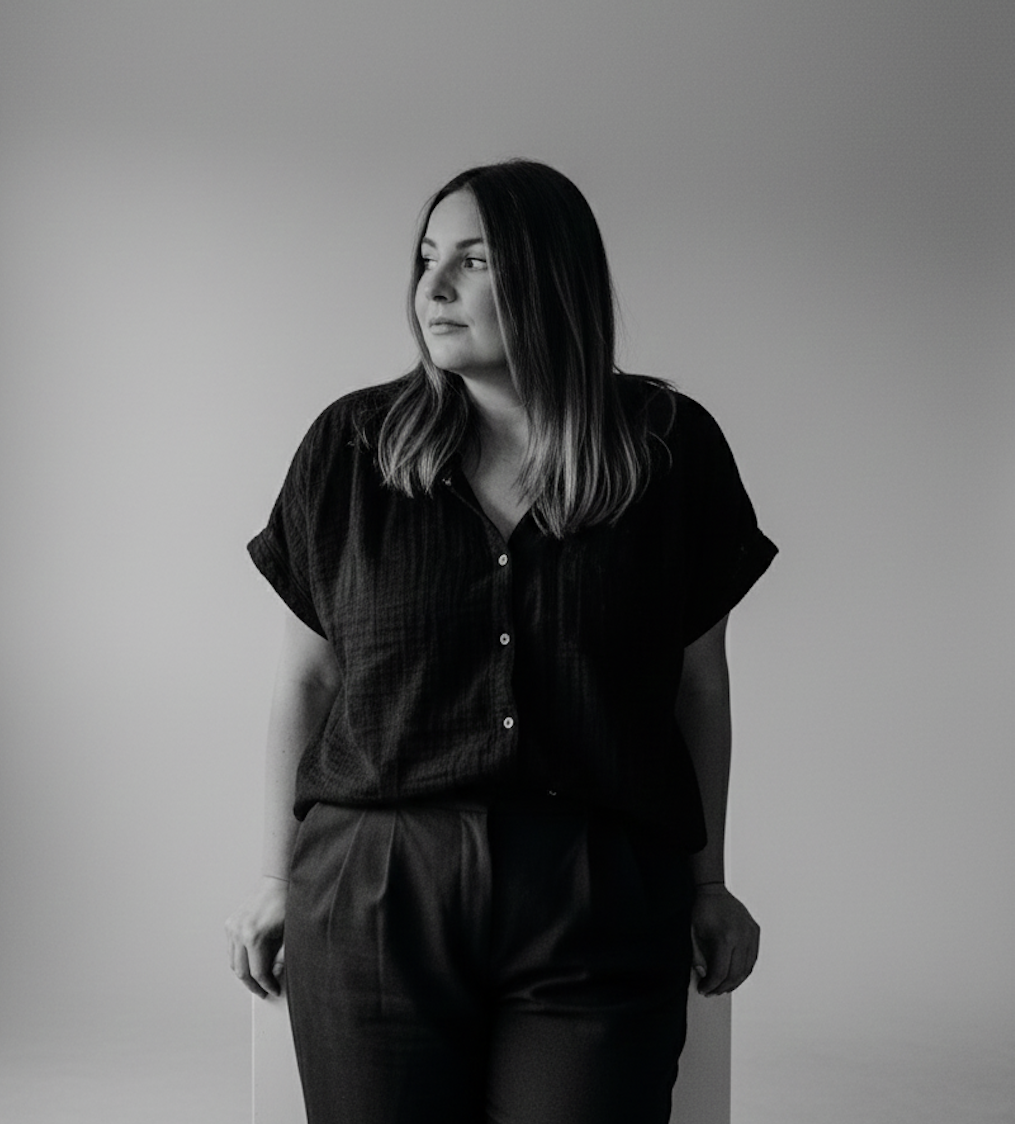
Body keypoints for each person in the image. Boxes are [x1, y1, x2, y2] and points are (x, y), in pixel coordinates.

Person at [225, 159, 777, 1124]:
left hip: (598, 892)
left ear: (550, 275)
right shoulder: (351, 449)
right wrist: (276, 878)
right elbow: (305, 683)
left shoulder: (668, 449)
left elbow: (699, 688)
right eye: (426, 259)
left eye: (472, 261)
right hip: (374, 886)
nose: (431, 289)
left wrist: (711, 883)